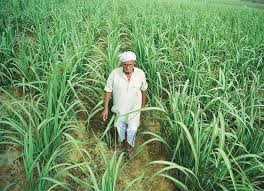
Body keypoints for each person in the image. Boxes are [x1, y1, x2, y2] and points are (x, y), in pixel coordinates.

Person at [101, 51, 148, 159]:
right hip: (120, 108)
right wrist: (105, 109)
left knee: (132, 129)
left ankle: (129, 147)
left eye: (130, 65)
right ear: (122, 64)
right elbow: (108, 90)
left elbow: (144, 89)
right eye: (125, 65)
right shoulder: (115, 74)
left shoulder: (140, 74)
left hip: (134, 108)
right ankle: (122, 143)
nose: (127, 67)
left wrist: (143, 104)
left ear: (134, 64)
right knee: (119, 126)